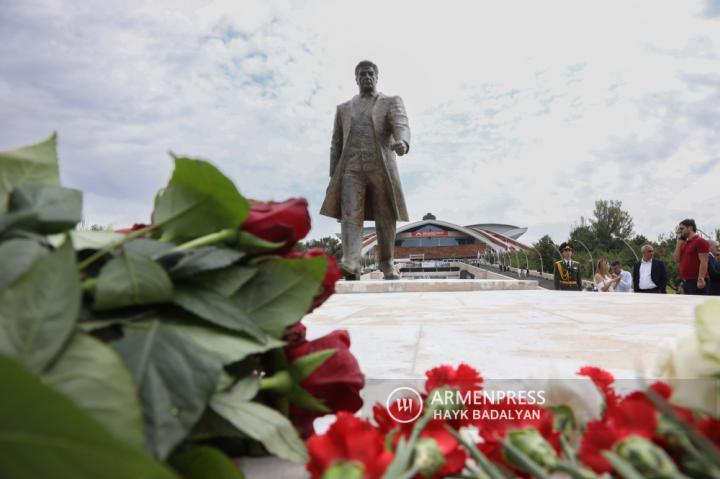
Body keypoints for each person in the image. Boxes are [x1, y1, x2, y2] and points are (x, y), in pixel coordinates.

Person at [320, 60, 410, 280]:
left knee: (385, 215)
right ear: (356, 79)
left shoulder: (390, 101)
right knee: (350, 214)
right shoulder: (343, 109)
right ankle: (351, 262)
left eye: (370, 73)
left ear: (377, 77)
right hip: (351, 168)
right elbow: (336, 143)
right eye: (362, 74)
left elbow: (401, 124)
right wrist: (334, 178)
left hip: (381, 167)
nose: (367, 77)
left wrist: (403, 142)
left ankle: (387, 264)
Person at [672, 219, 710, 295]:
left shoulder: (700, 241)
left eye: (682, 228)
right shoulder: (684, 244)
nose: (680, 231)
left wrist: (701, 278)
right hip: (686, 282)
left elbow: (704, 261)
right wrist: (678, 244)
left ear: (690, 228)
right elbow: (676, 260)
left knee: (698, 306)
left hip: (697, 281)